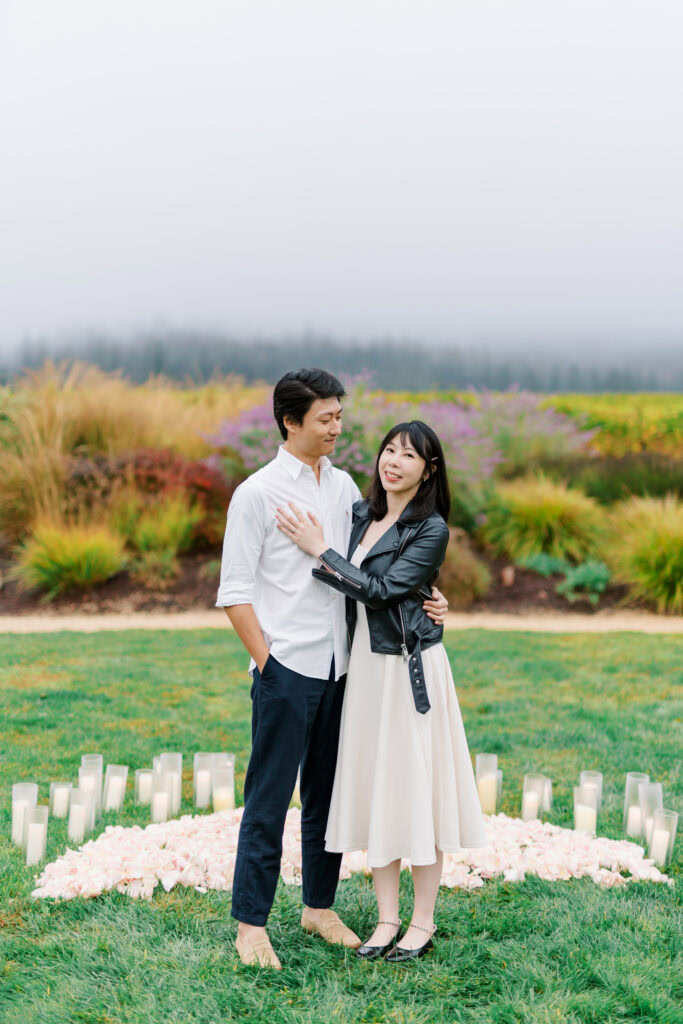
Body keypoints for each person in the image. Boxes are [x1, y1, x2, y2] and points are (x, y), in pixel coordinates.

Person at [216, 370, 449, 969]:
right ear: (290, 422)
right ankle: (251, 924)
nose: (338, 428)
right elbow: (235, 592)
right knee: (269, 801)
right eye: (326, 418)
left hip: (345, 667)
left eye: (341, 416)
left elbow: (378, 562)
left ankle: (318, 907)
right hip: (286, 666)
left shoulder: (346, 485)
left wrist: (431, 595)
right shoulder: (258, 493)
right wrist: (267, 663)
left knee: (326, 798)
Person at [274, 419, 488, 963]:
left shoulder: (430, 528)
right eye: (388, 450)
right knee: (380, 790)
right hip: (364, 671)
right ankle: (385, 919)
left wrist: (320, 551)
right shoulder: (358, 515)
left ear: (429, 469)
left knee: (417, 788)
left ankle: (421, 921)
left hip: (407, 669)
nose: (393, 461)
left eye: (408, 455)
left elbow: (381, 591)